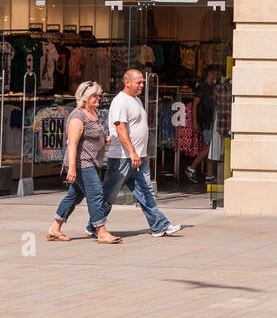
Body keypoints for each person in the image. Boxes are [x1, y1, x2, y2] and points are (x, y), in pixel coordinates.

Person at [105, 69, 182, 238]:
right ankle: (94, 224)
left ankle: (159, 226)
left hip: (137, 157)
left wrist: (142, 152)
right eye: (138, 82)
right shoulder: (120, 101)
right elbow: (121, 129)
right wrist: (132, 152)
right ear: (127, 82)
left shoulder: (136, 100)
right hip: (122, 158)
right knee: (108, 195)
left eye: (142, 82)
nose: (141, 85)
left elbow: (138, 129)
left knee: (146, 193)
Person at [47, 81, 120, 244]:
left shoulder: (93, 112)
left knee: (74, 196)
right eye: (94, 95)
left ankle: (54, 228)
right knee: (96, 194)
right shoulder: (77, 116)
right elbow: (72, 143)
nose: (98, 98)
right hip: (81, 163)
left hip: (91, 162)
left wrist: (104, 140)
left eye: (98, 95)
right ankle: (101, 230)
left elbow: (92, 136)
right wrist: (71, 169)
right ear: (85, 98)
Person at [185, 67, 219, 184]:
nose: (217, 75)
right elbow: (195, 104)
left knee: (210, 147)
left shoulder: (212, 87)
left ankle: (209, 175)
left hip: (210, 120)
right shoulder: (202, 87)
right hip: (206, 121)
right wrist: (195, 122)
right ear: (210, 73)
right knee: (210, 147)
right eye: (216, 72)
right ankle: (192, 168)